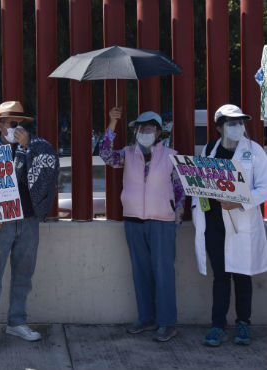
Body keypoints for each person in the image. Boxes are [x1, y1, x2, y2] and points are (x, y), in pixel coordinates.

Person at [0, 101, 59, 353]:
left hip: (29, 218)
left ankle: (17, 321)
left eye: (20, 123)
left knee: (24, 274)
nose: (16, 127)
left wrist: (27, 149)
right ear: (0, 125)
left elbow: (48, 174)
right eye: (12, 122)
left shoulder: (37, 147)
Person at [100, 107, 184, 342]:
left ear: (159, 132)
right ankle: (146, 318)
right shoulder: (127, 154)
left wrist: (174, 219)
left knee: (164, 273)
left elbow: (180, 191)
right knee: (141, 273)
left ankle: (167, 323)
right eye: (141, 127)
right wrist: (112, 123)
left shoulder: (171, 155)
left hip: (162, 222)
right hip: (134, 221)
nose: (145, 131)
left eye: (150, 127)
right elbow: (105, 155)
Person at [192, 104, 267, 347]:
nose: (237, 127)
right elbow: (200, 185)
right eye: (231, 123)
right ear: (219, 128)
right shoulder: (209, 150)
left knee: (242, 274)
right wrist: (200, 205)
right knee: (221, 276)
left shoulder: (254, 151)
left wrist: (239, 203)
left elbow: (264, 188)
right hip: (214, 224)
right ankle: (218, 326)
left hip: (241, 224)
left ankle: (243, 323)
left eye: (240, 122)